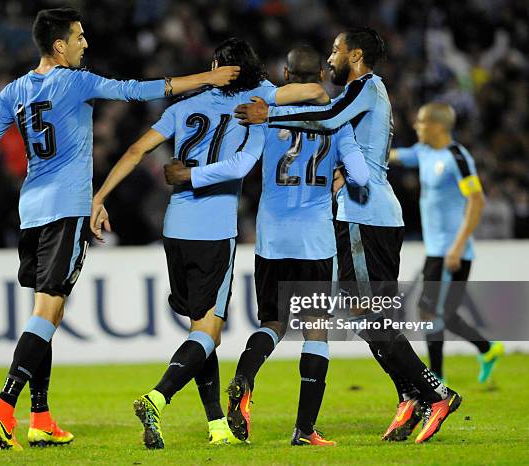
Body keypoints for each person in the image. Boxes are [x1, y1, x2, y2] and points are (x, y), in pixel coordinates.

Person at [0, 7, 241, 451]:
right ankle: (3, 406)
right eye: (79, 37)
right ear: (60, 46)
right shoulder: (77, 82)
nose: (85, 44)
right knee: (48, 313)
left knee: (44, 313)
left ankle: (41, 418)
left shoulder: (13, 91)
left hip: (31, 212)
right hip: (65, 209)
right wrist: (204, 80)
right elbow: (139, 90)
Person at [90, 38, 326, 449]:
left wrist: (99, 196)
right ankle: (157, 397)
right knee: (207, 333)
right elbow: (311, 94)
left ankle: (217, 424)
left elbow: (135, 149)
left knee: (202, 332)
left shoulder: (182, 108)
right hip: (214, 231)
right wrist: (269, 99)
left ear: (217, 66)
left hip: (174, 227)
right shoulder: (258, 98)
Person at [234, 27, 462, 444]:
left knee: (366, 316)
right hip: (366, 214)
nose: (331, 56)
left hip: (365, 215)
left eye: (336, 50)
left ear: (355, 55)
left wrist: (271, 115)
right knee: (373, 317)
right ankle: (411, 395)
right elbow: (330, 118)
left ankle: (435, 392)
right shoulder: (361, 93)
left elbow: (328, 118)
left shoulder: (365, 87)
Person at [164, 46, 369, 446]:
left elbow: (240, 166)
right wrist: (341, 170)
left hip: (272, 238)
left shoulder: (263, 112)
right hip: (314, 240)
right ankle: (304, 430)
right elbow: (360, 175)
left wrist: (192, 175)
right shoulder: (337, 122)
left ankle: (245, 378)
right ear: (322, 77)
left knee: (272, 324)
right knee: (315, 334)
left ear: (285, 72)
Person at [390, 102, 504, 383]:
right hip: (437, 250)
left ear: (438, 126)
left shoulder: (457, 157)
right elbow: (392, 156)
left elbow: (477, 201)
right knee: (445, 315)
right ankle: (487, 349)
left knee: (429, 311)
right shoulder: (424, 153)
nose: (416, 126)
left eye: (421, 122)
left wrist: (457, 246)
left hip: (451, 251)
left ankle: (437, 378)